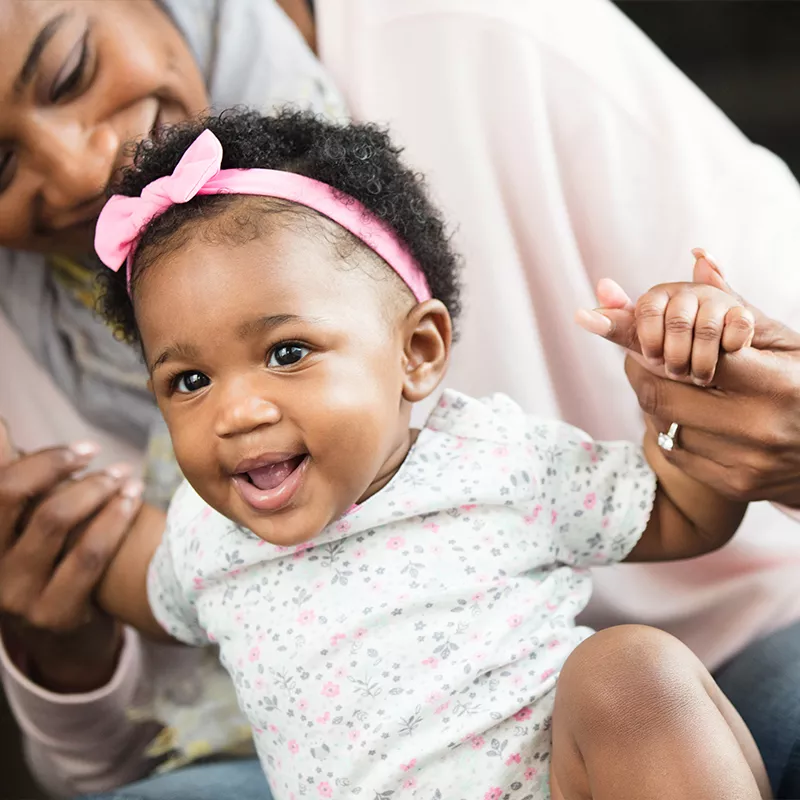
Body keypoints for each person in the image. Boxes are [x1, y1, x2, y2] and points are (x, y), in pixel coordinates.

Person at [1, 0, 800, 797]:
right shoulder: (209, 536)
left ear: (418, 352)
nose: (235, 412)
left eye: (287, 353)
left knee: (630, 671)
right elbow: (117, 558)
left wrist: (694, 382)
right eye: (189, 382)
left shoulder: (495, 461)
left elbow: (679, 512)